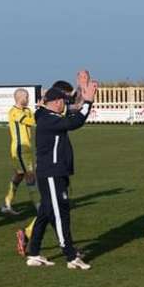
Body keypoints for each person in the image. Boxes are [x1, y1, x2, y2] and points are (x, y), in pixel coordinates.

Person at [22, 71, 98, 270]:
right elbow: (76, 121)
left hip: (55, 172)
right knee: (60, 214)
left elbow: (74, 109)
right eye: (62, 101)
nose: (65, 104)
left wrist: (83, 88)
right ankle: (71, 257)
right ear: (55, 102)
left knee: (46, 214)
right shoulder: (49, 118)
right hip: (51, 173)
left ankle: (34, 253)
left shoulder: (49, 114)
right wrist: (88, 101)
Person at [1, 88, 39, 215]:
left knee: (19, 175)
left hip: (27, 148)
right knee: (30, 175)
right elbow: (32, 121)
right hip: (19, 149)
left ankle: (7, 203)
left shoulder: (27, 110)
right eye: (26, 97)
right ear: (20, 98)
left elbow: (35, 119)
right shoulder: (14, 112)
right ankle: (39, 206)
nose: (28, 99)